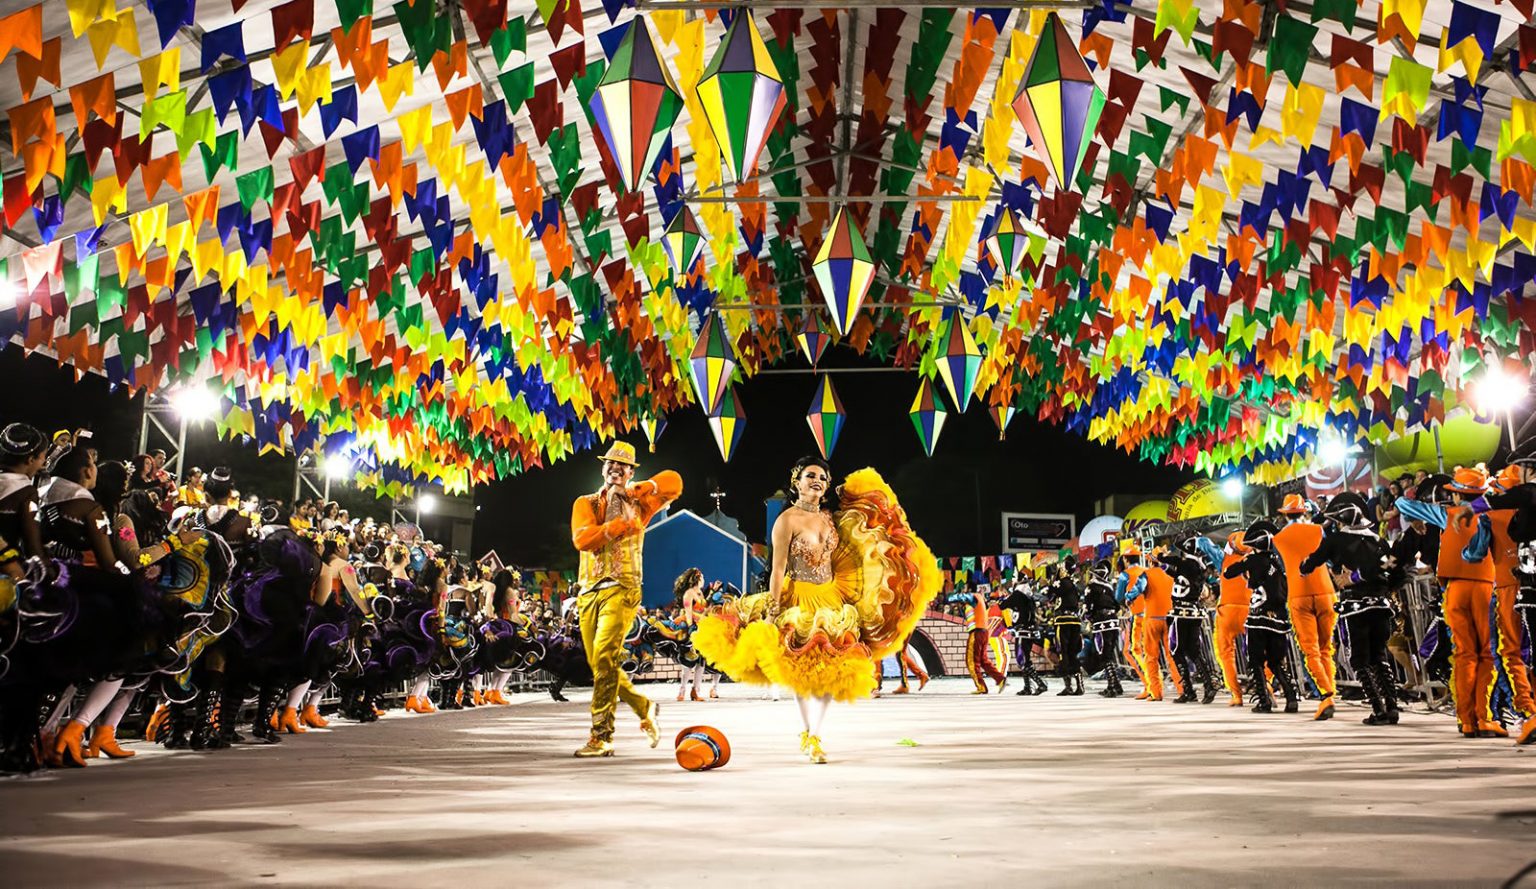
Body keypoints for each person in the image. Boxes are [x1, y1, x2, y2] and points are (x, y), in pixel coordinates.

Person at [694, 456, 941, 764]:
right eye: (810, 475)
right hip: (799, 597)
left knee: (830, 673)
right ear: (796, 481)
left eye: (823, 478)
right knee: (801, 671)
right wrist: (772, 608)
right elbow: (777, 568)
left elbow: (858, 535)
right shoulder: (786, 520)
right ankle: (807, 732)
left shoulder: (829, 518)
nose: (817, 481)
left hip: (834, 598)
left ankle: (815, 733)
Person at [568, 441, 680, 758]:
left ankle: (601, 737)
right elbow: (582, 540)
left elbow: (675, 482)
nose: (616, 469)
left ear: (630, 471)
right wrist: (622, 525)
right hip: (589, 590)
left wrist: (643, 488)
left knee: (604, 654)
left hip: (623, 587)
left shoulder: (641, 502)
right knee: (599, 662)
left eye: (623, 466)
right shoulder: (586, 503)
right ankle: (643, 706)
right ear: (603, 469)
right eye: (611, 464)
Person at [1398, 467, 1502, 738]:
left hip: (1454, 590)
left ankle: (1466, 720)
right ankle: (1484, 717)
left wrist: (1412, 517)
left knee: (1464, 654)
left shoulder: (1445, 514)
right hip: (1484, 589)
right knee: (1487, 654)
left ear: (1456, 496)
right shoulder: (1490, 514)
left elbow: (1401, 502)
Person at [1301, 493, 1401, 725]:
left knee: (1359, 658)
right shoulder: (1378, 540)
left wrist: (1352, 578)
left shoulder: (1336, 540)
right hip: (1380, 604)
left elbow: (1311, 562)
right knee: (1379, 655)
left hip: (1356, 606)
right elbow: (1392, 567)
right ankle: (1392, 706)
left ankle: (1377, 709)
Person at [1274, 493, 1339, 721]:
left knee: (1310, 649)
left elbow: (1283, 567)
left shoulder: (1278, 539)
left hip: (1298, 594)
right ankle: (1330, 691)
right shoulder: (1318, 530)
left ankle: (1326, 694)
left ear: (1284, 515)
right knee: (1326, 648)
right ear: (1304, 511)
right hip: (1325, 590)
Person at [1225, 520, 1299, 714]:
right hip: (1279, 618)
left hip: (1259, 617)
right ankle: (1291, 698)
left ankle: (1263, 702)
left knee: (1256, 660)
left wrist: (1245, 564)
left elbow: (1228, 573)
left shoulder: (1252, 560)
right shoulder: (1277, 562)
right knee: (1276, 661)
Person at [1162, 536, 1220, 704]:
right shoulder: (1196, 567)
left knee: (1176, 651)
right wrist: (1164, 566)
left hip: (1181, 614)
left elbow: (1172, 563)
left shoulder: (1185, 564)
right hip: (1194, 613)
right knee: (1193, 651)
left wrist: (1160, 558)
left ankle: (1188, 690)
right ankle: (1209, 683)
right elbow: (1177, 575)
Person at [1213, 532, 1252, 706]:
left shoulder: (1223, 560)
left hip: (1227, 611)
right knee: (1260, 653)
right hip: (1250, 611)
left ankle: (1236, 694)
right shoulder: (1255, 560)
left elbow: (1205, 545)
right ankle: (1265, 685)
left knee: (1225, 654)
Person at [1081, 561, 1123, 697]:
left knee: (1104, 655)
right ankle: (1116, 684)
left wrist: (1089, 619)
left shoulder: (1091, 587)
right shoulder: (1109, 587)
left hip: (1101, 623)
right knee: (1109, 654)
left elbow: (1087, 607)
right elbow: (1117, 606)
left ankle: (1112, 686)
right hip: (1113, 623)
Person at [1002, 577, 1047, 695]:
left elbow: (1003, 605)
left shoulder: (1017, 594)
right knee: (1026, 659)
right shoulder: (1029, 597)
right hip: (1030, 631)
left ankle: (1041, 684)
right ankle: (1027, 687)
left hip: (1023, 632)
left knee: (1021, 659)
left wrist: (1004, 597)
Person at [1047, 560, 1084, 696]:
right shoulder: (1073, 585)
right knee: (1073, 652)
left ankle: (1068, 685)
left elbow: (1049, 596)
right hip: (1075, 620)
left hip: (1063, 620)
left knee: (1063, 651)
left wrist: (1055, 578)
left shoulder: (1061, 583)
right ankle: (1080, 685)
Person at [672, 568, 708, 702]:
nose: (704, 579)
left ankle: (696, 691)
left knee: (701, 662)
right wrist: (691, 628)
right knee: (688, 661)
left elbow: (703, 611)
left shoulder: (700, 593)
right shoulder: (689, 593)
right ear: (697, 579)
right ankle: (682, 690)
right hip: (692, 628)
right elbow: (688, 613)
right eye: (702, 577)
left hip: (703, 628)